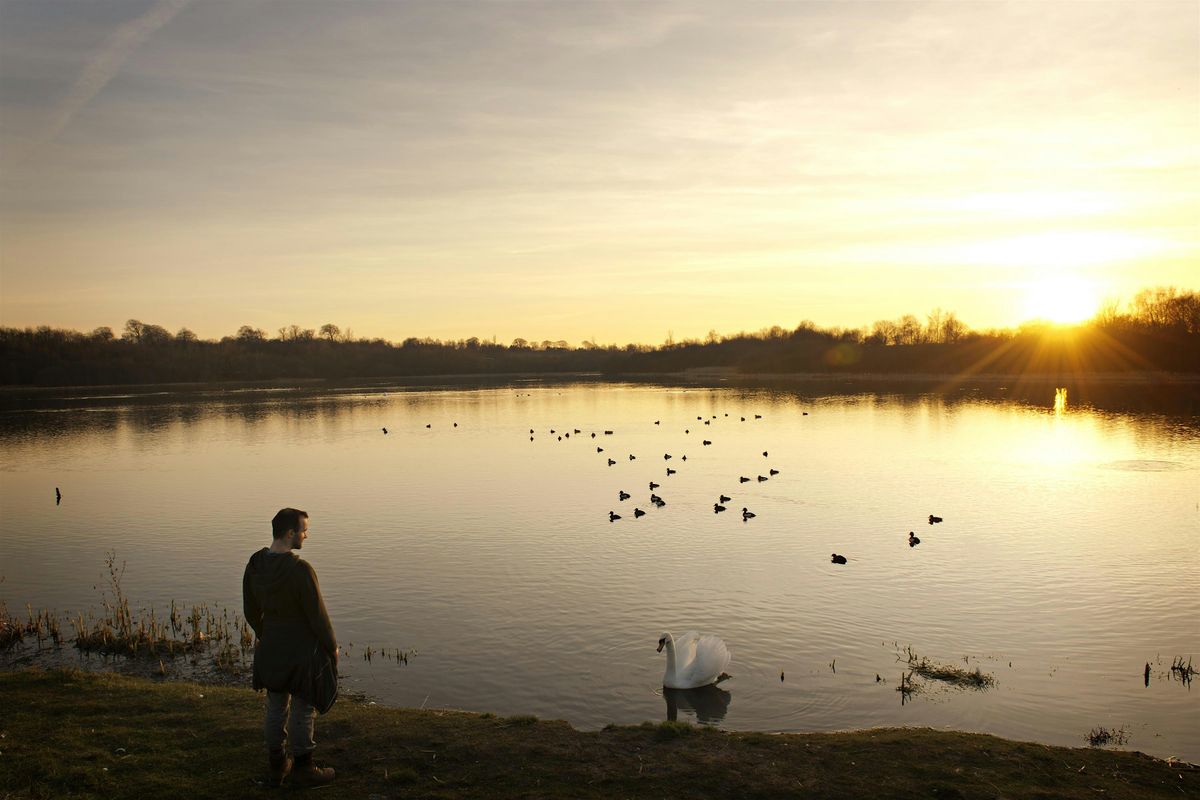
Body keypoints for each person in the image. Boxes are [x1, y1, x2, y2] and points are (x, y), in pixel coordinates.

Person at [243, 508, 339, 786]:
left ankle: (277, 765)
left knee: (275, 705)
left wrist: (266, 633)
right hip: (300, 652)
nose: (306, 535)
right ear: (289, 533)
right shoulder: (300, 571)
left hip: (270, 647)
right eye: (304, 530)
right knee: (303, 706)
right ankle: (304, 768)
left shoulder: (254, 564)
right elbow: (318, 617)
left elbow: (250, 610)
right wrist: (331, 647)